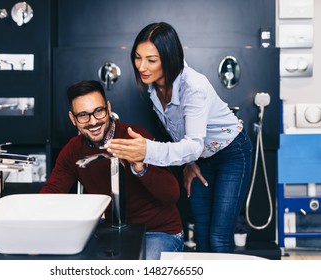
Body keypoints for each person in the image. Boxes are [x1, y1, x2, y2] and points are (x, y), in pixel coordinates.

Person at [103, 22, 253, 253]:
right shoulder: (154, 87)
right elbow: (181, 133)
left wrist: (146, 151)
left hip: (232, 152)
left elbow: (192, 143)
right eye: (137, 57)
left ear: (169, 57)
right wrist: (190, 162)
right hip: (201, 156)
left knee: (218, 237)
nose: (142, 66)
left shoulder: (193, 87)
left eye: (151, 60)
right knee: (201, 232)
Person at [40, 80, 183, 260]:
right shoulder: (73, 150)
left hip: (157, 231)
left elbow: (171, 195)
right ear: (72, 118)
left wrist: (141, 167)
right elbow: (52, 191)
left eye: (98, 111)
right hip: (111, 232)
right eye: (83, 115)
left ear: (108, 108)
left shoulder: (134, 137)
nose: (93, 122)